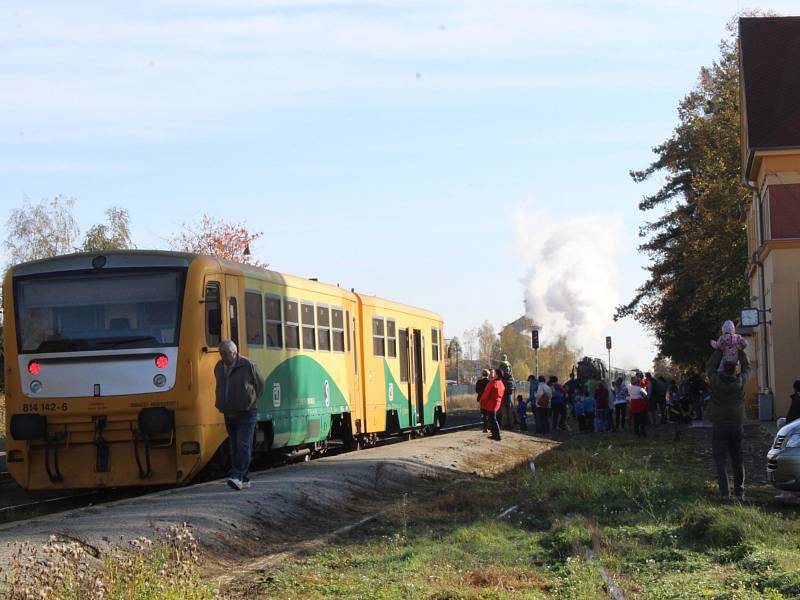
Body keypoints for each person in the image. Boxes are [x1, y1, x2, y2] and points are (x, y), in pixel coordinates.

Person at [214, 340, 264, 491]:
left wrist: (250, 401)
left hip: (246, 412)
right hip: (229, 413)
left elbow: (260, 385)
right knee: (234, 446)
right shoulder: (218, 367)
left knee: (242, 443)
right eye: (221, 354)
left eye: (225, 354)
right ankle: (245, 477)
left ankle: (237, 477)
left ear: (234, 353)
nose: (222, 357)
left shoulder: (247, 365)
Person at [705, 347, 750, 500]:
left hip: (720, 423)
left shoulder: (716, 381)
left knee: (720, 460)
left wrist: (719, 350)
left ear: (723, 368)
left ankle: (725, 493)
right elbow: (747, 367)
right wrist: (740, 351)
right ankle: (739, 493)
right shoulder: (741, 381)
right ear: (734, 369)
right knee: (738, 459)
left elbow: (710, 367)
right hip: (737, 423)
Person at [480, 369, 505, 441]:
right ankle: (495, 434)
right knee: (493, 419)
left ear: (497, 375)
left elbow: (486, 395)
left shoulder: (492, 383)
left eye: (494, 373)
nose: (492, 375)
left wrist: (482, 403)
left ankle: (497, 435)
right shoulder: (501, 383)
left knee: (492, 420)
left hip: (491, 404)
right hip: (497, 403)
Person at [498, 358, 516, 430]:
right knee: (510, 408)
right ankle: (510, 424)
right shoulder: (510, 367)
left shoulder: (501, 367)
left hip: (503, 391)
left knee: (504, 408)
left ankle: (504, 424)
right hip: (509, 391)